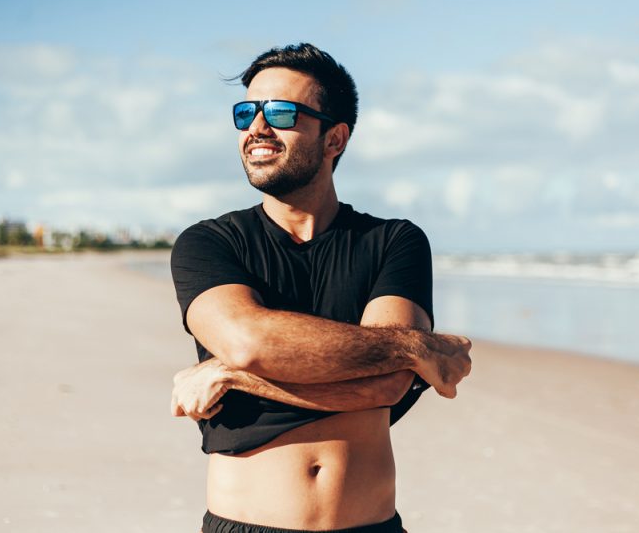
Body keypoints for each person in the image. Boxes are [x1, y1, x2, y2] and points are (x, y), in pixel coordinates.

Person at [170, 43, 472, 533]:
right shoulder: (209, 243)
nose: (257, 129)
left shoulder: (394, 241)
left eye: (282, 113)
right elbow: (249, 341)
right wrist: (414, 347)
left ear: (335, 138)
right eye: (246, 113)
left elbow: (391, 382)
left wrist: (235, 376)